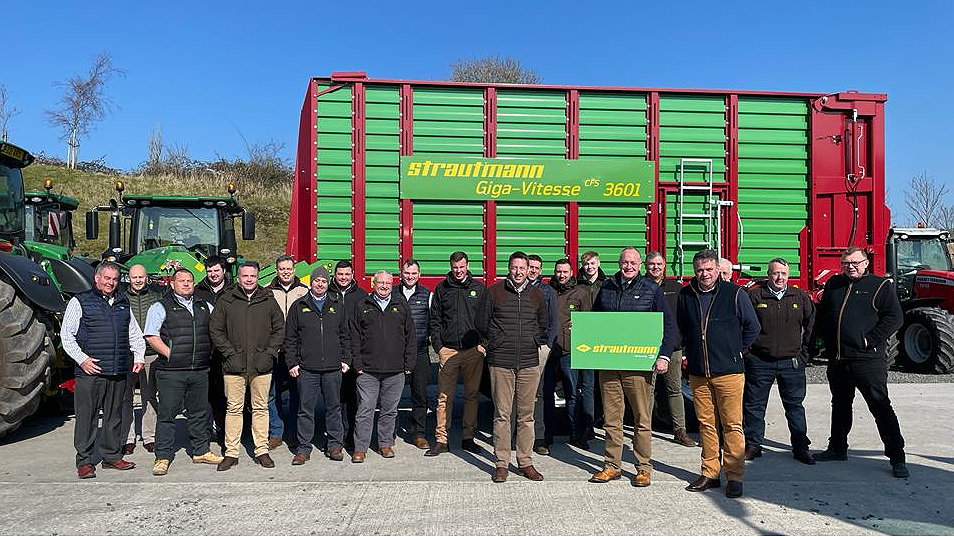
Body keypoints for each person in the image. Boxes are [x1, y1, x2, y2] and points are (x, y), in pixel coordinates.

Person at [588, 247, 678, 488]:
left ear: (640, 265)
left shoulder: (651, 290)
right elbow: (595, 322)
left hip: (639, 365)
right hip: (609, 364)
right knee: (611, 418)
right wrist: (583, 337)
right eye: (624, 262)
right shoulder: (606, 288)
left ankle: (643, 467)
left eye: (633, 262)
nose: (628, 266)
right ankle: (611, 465)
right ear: (619, 263)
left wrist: (664, 356)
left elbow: (668, 327)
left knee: (641, 418)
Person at [813, 247, 907, 478]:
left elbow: (895, 317)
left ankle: (897, 457)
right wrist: (819, 343)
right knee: (840, 405)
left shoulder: (880, 286)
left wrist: (870, 340)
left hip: (867, 360)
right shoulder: (834, 284)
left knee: (880, 406)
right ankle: (837, 448)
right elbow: (823, 315)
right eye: (846, 263)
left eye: (855, 263)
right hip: (838, 358)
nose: (851, 267)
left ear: (866, 263)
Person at [678, 249, 760, 498]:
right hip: (698, 372)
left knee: (732, 424)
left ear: (717, 270)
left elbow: (753, 327)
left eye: (709, 270)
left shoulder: (734, 294)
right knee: (706, 424)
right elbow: (683, 328)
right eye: (700, 270)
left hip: (729, 371)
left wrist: (735, 351)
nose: (704, 274)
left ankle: (734, 476)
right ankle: (710, 472)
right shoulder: (686, 295)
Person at [61, 262, 146, 479]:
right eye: (107, 278)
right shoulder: (80, 301)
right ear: (97, 278)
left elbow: (133, 332)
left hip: (117, 370)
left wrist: (138, 356)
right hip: (91, 372)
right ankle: (85, 461)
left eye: (115, 279)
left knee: (113, 416)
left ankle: (111, 456)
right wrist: (82, 360)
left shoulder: (122, 302)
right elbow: (66, 335)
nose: (110, 283)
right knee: (87, 418)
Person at [477, 251, 550, 483]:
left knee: (526, 415)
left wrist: (533, 340)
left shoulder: (537, 294)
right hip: (501, 362)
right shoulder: (494, 292)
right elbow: (481, 323)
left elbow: (544, 323)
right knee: (502, 414)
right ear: (508, 268)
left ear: (528, 269)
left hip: (529, 361)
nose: (518, 272)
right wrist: (494, 343)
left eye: (522, 268)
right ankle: (501, 463)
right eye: (514, 267)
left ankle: (525, 461)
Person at [143, 268, 224, 476]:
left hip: (199, 369)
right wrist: (170, 354)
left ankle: (201, 451)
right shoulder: (160, 306)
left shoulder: (204, 306)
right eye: (182, 281)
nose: (186, 284)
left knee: (198, 413)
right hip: (172, 372)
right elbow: (151, 336)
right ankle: (163, 456)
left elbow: (218, 330)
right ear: (173, 283)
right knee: (167, 414)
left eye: (190, 281)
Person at [209, 261, 285, 470]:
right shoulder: (227, 300)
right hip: (233, 366)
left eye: (253, 276)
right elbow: (216, 330)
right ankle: (231, 452)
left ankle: (261, 450)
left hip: (261, 366)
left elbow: (279, 329)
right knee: (234, 409)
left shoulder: (268, 299)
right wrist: (229, 354)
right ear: (239, 277)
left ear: (258, 277)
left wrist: (269, 354)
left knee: (261, 408)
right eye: (245, 276)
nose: (249, 279)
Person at [744, 258, 816, 465]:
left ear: (788, 275)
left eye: (783, 274)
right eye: (775, 273)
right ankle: (753, 445)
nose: (779, 277)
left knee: (794, 406)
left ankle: (801, 447)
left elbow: (812, 326)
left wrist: (804, 355)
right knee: (755, 405)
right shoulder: (755, 296)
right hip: (760, 361)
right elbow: (743, 324)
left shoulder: (799, 297)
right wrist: (748, 353)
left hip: (791, 363)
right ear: (768, 274)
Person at [284, 266, 352, 465]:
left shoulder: (336, 306)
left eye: (323, 281)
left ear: (327, 283)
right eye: (317, 280)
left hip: (332, 369)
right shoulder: (299, 306)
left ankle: (334, 445)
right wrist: (292, 362)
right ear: (311, 282)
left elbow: (345, 336)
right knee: (305, 410)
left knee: (334, 408)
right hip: (307, 369)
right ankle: (303, 448)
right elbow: (290, 338)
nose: (320, 284)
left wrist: (346, 359)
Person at [349, 270, 416, 463]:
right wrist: (357, 363)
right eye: (381, 283)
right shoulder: (362, 305)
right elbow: (354, 336)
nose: (385, 286)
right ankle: (360, 448)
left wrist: (409, 362)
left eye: (388, 283)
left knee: (389, 410)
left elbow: (410, 335)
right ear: (373, 284)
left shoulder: (400, 304)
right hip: (368, 371)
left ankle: (385, 444)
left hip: (395, 371)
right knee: (365, 409)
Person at [425, 251, 487, 457]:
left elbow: (487, 319)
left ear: (467, 266)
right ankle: (441, 440)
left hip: (473, 351)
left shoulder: (478, 289)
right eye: (455, 268)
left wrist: (482, 345)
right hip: (449, 350)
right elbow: (435, 320)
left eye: (462, 267)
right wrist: (439, 347)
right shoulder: (442, 289)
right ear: (451, 267)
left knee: (471, 396)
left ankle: (468, 438)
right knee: (444, 397)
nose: (458, 271)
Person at [644, 252, 697, 448]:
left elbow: (685, 318)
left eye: (659, 264)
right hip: (645, 347)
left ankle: (679, 430)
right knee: (647, 390)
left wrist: (682, 344)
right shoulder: (640, 286)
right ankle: (644, 430)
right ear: (645, 266)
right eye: (651, 264)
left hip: (672, 348)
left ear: (664, 266)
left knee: (674, 389)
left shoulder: (677, 289)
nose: (655, 268)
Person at [544, 258, 594, 449]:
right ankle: (546, 437)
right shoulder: (547, 291)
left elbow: (588, 321)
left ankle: (576, 435)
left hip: (570, 351)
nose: (561, 275)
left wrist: (580, 326)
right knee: (546, 395)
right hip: (549, 351)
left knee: (573, 394)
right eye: (558, 271)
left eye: (565, 272)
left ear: (572, 272)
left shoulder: (581, 292)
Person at [266, 254, 308, 451]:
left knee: (296, 394)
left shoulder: (304, 291)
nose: (285, 272)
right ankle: (276, 432)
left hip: (296, 353)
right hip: (273, 352)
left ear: (294, 270)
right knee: (270, 394)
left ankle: (293, 432)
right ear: (277, 271)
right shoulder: (266, 292)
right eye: (282, 269)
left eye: (289, 269)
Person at [121, 264, 162, 455]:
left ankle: (149, 436)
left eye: (141, 277)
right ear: (129, 278)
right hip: (128, 354)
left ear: (146, 277)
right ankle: (128, 438)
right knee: (126, 396)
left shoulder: (156, 297)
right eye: (134, 277)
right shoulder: (121, 298)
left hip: (151, 354)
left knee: (149, 396)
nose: (138, 280)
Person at [328, 260, 366, 449]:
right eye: (340, 274)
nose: (343, 277)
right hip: (332, 354)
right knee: (335, 400)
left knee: (353, 398)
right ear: (335, 275)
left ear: (352, 275)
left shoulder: (361, 296)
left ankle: (352, 435)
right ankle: (337, 437)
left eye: (347, 274)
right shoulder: (326, 294)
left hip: (354, 353)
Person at [193, 256, 230, 444]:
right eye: (209, 271)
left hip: (226, 350)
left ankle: (225, 431)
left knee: (224, 394)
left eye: (216, 270)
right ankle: (205, 432)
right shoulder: (198, 291)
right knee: (204, 395)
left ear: (223, 271)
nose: (213, 274)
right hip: (204, 349)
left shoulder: (233, 291)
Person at [399, 259, 433, 450]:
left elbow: (433, 323)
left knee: (420, 395)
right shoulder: (392, 293)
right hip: (396, 353)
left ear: (419, 275)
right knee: (391, 396)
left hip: (419, 353)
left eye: (413, 273)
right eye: (407, 273)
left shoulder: (427, 295)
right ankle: (388, 433)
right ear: (401, 273)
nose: (410, 276)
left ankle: (419, 433)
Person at [527, 254, 557, 455]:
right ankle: (516, 435)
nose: (533, 270)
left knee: (537, 394)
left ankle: (538, 438)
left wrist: (547, 345)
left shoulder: (548, 291)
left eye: (537, 267)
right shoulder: (514, 289)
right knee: (515, 395)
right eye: (530, 267)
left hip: (539, 348)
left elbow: (554, 321)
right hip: (518, 348)